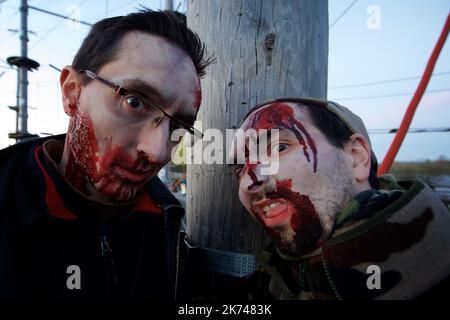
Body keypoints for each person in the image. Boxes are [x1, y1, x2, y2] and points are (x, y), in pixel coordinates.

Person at [0, 9, 212, 301]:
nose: (158, 151)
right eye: (134, 102)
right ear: (73, 92)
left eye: (178, 127)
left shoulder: (166, 227)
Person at [231, 97, 450, 300]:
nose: (249, 183)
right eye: (240, 168)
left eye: (280, 147)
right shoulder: (267, 286)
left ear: (356, 157)